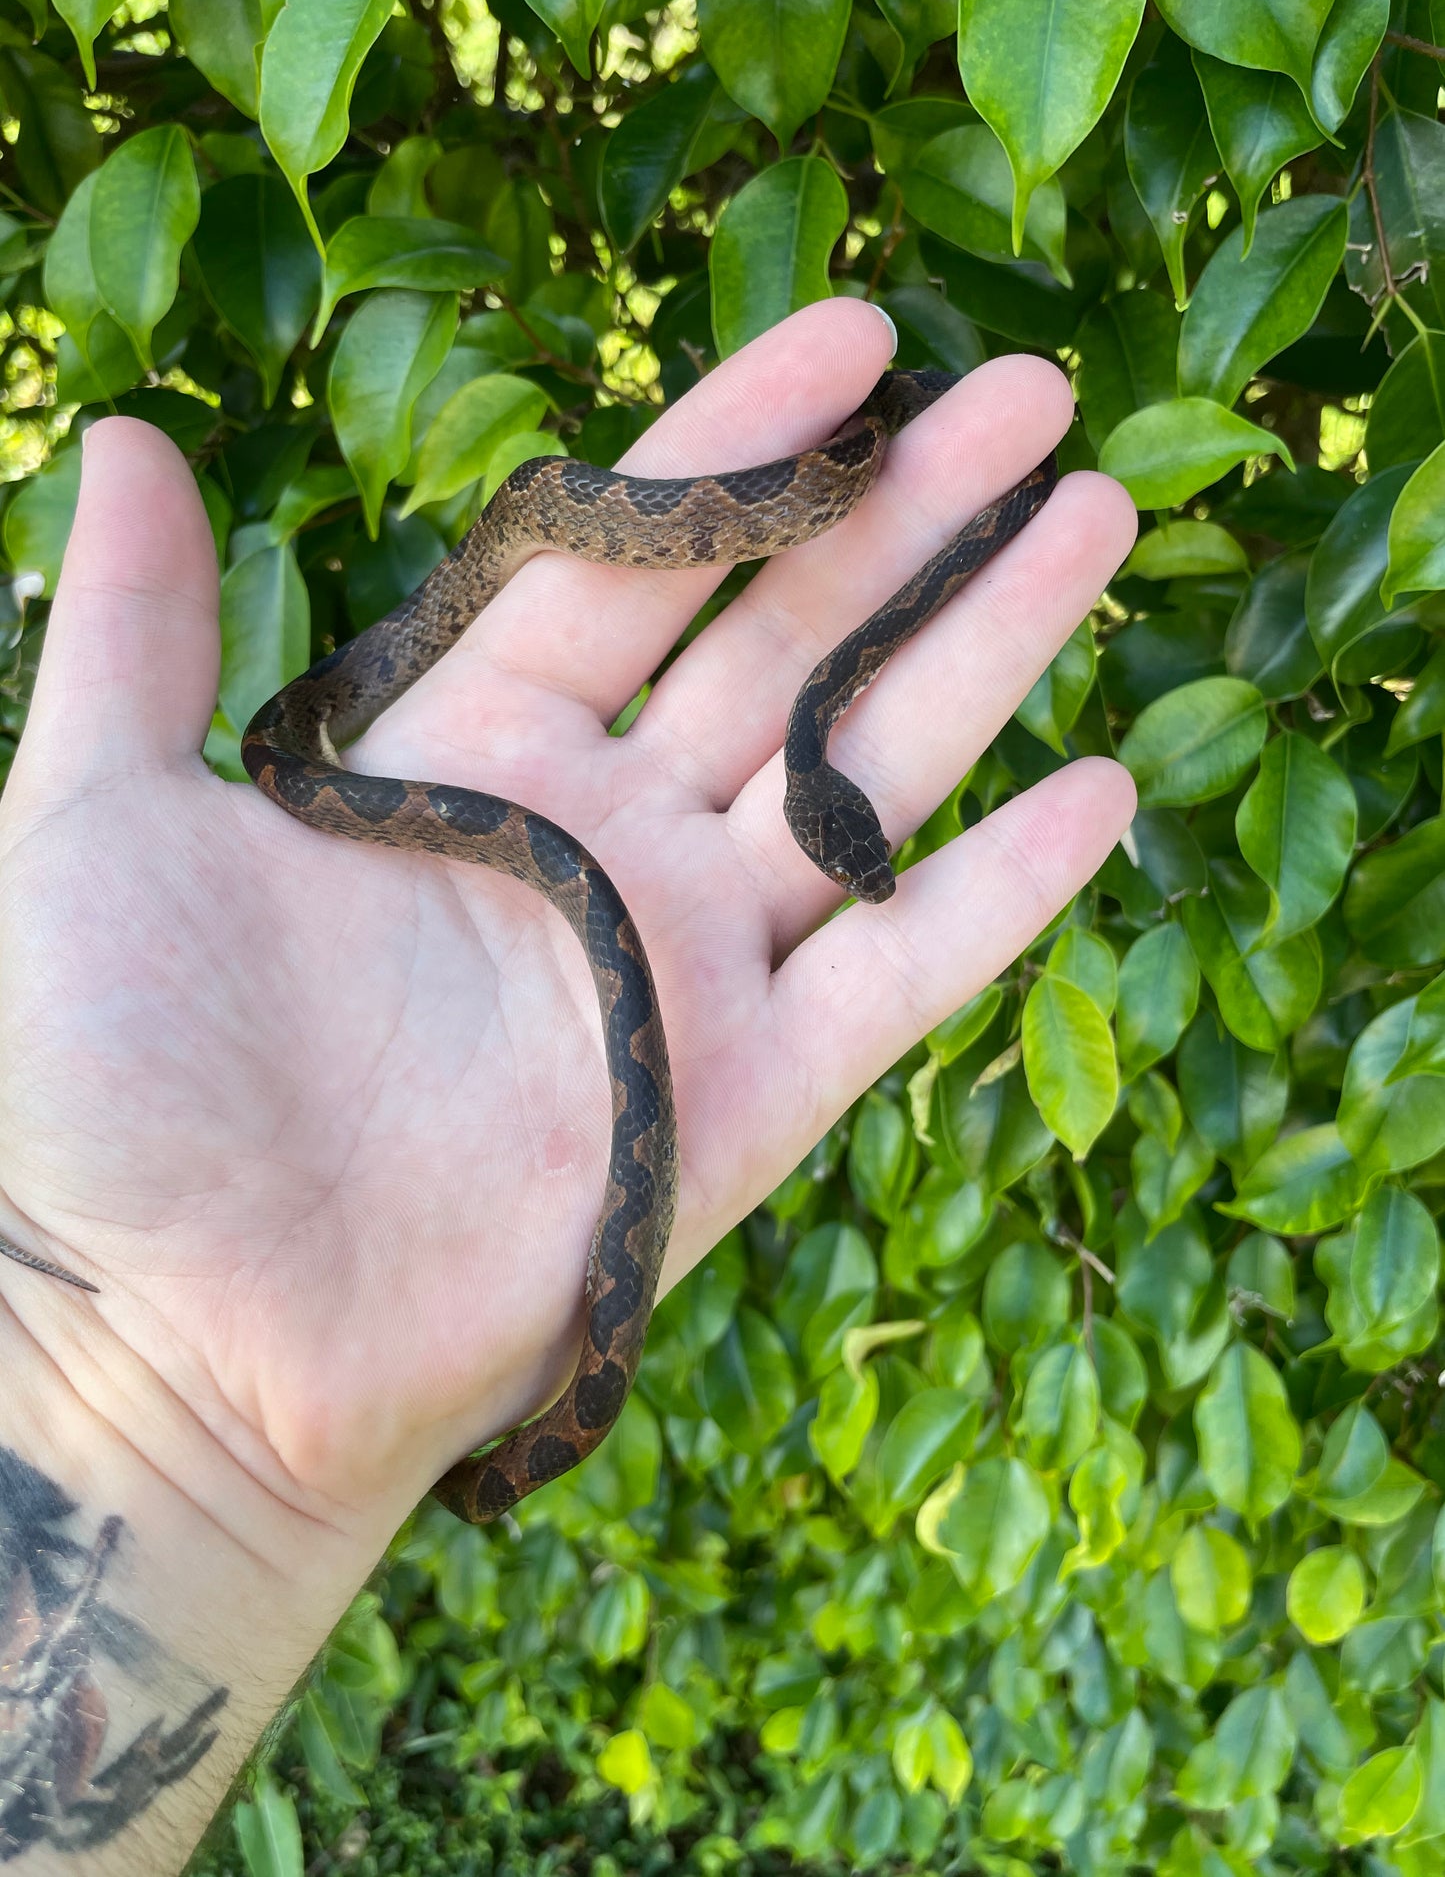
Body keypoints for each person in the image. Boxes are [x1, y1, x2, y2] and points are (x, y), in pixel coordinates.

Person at [0, 298, 1135, 1872]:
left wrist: (170, 1417)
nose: (863, 871)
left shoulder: (815, 683)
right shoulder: (312, 748)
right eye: (854, 847)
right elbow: (285, 744)